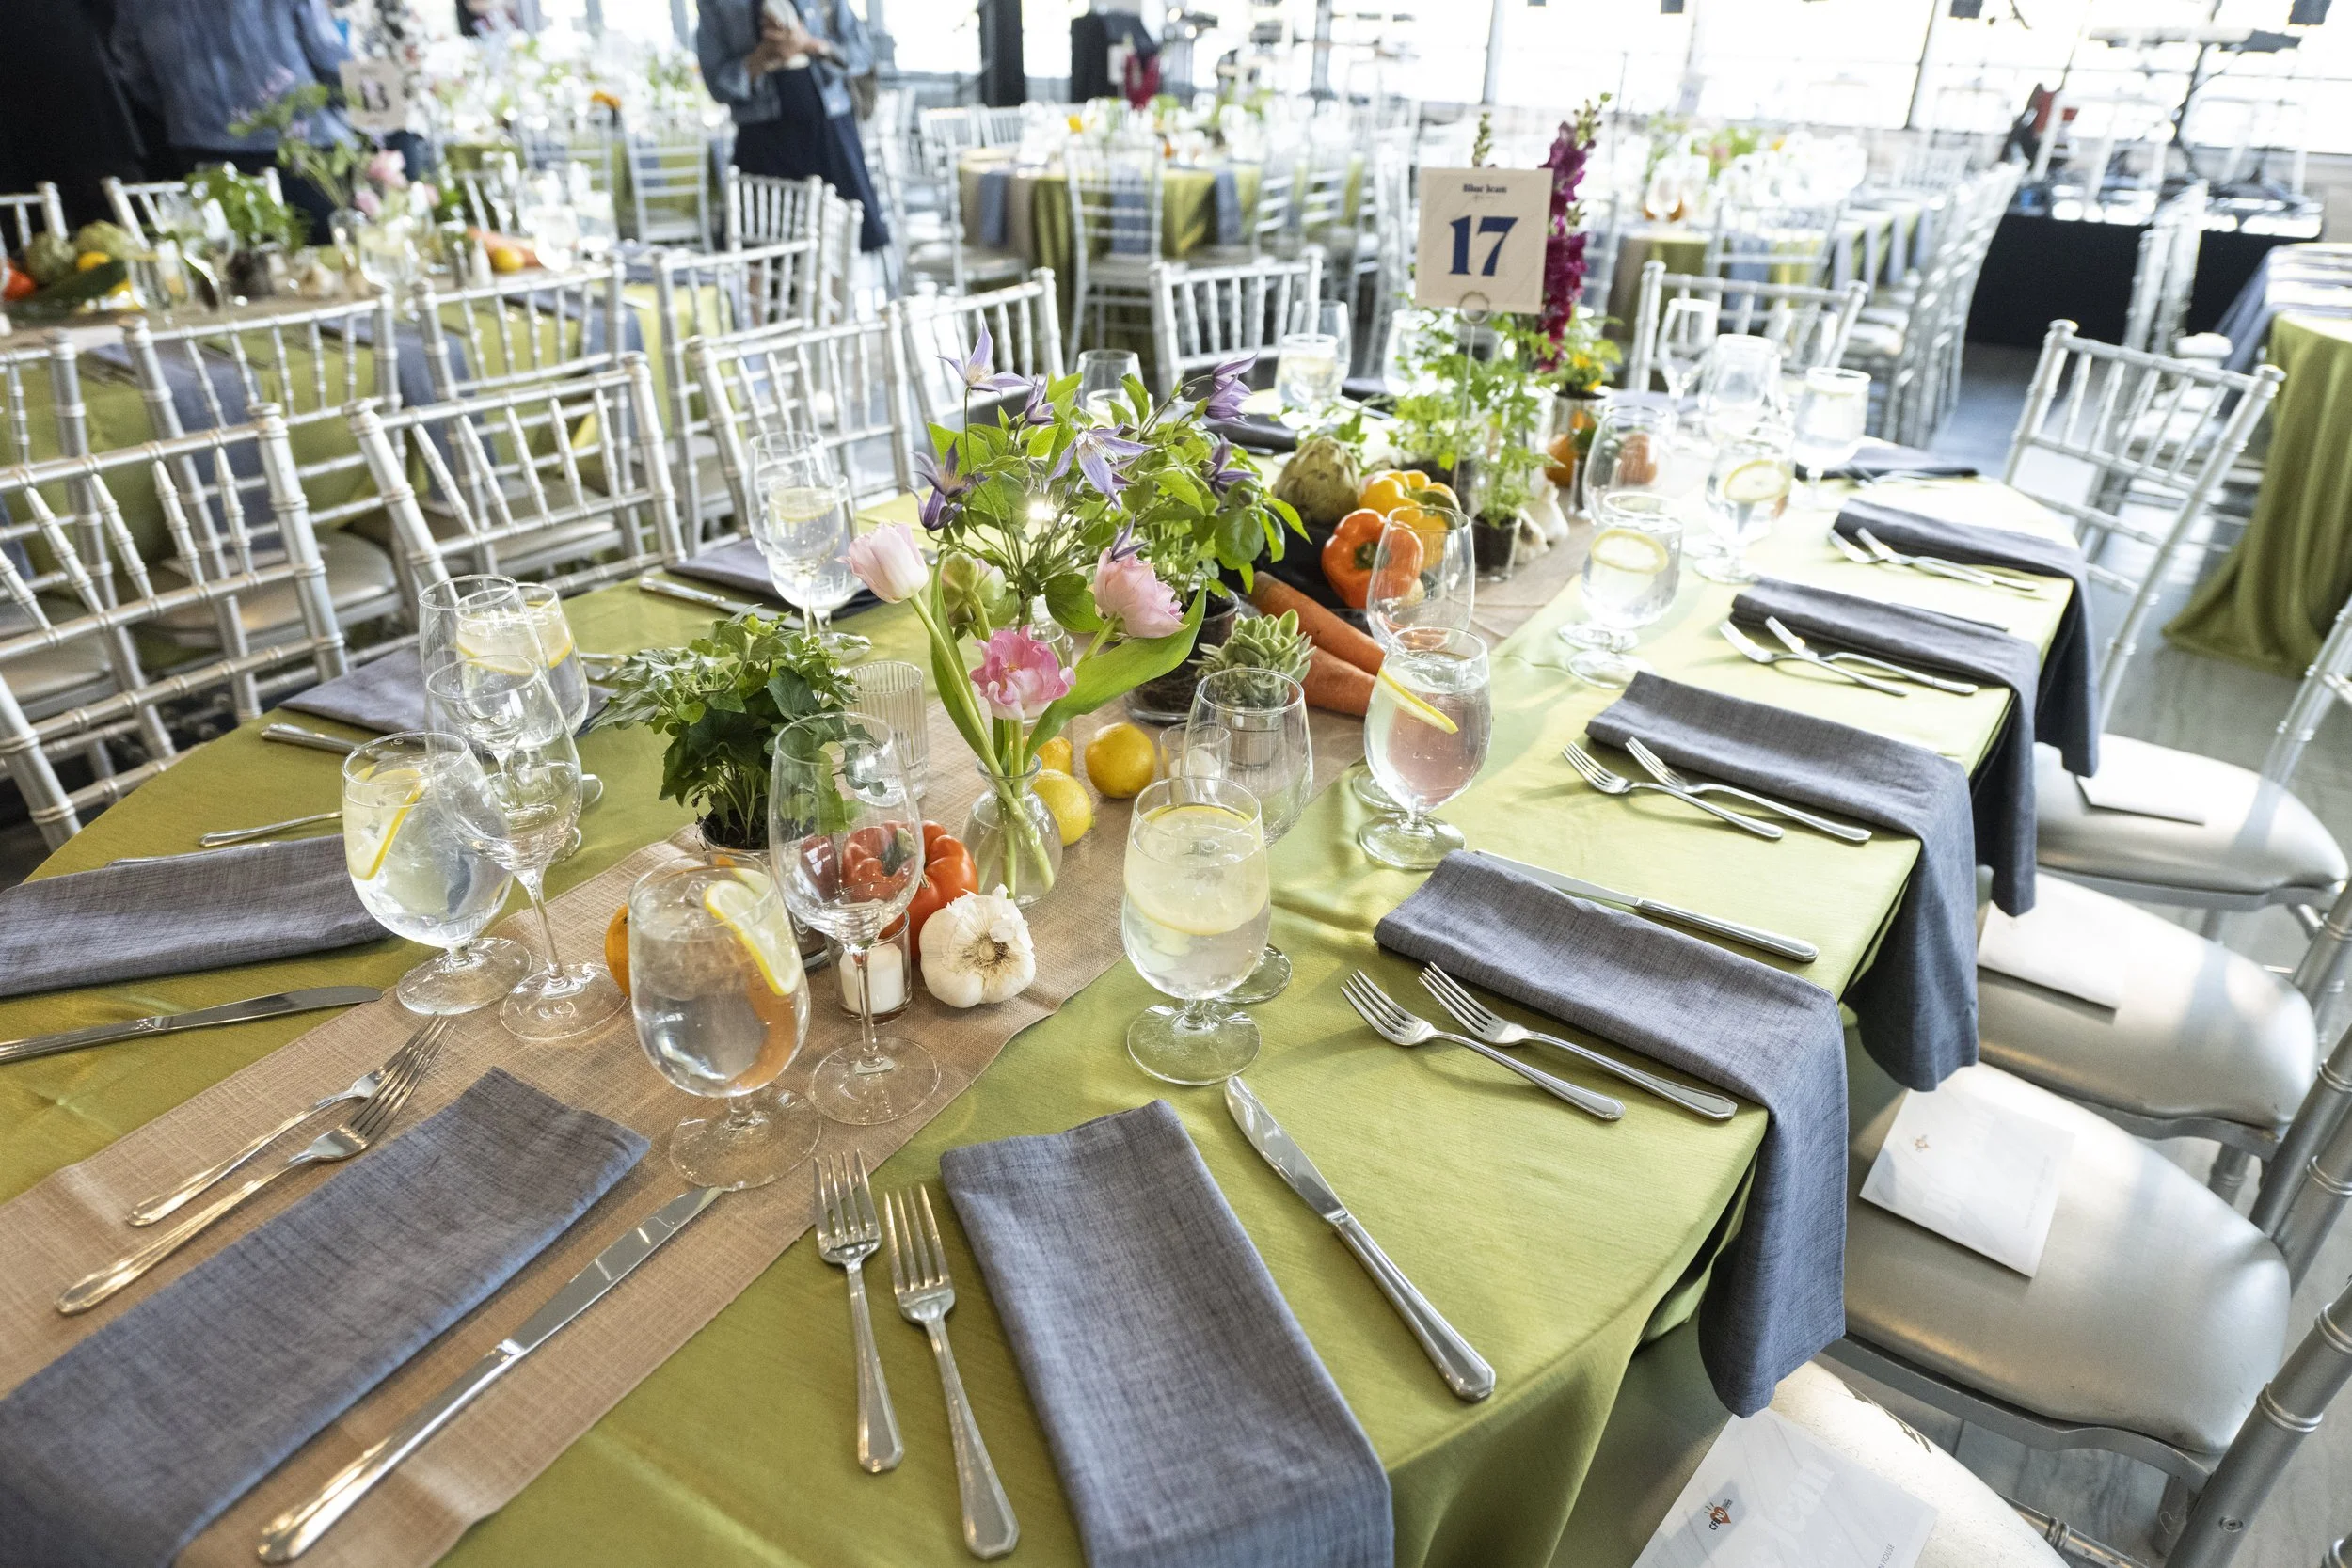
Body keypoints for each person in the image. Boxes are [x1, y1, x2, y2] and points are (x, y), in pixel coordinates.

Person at [110, 0, 350, 240]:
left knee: (233, 261)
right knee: (330, 257)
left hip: (201, 151)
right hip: (302, 149)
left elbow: (134, 73)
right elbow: (330, 60)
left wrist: (184, 111)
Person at [697, 0, 889, 254]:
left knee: (840, 247)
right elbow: (717, 85)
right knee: (758, 252)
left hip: (829, 130)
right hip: (761, 141)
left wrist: (809, 44)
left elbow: (862, 54)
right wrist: (762, 57)